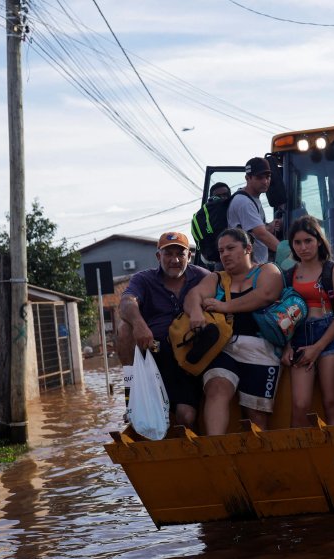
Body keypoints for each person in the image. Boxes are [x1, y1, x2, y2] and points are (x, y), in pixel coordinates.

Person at [183, 228, 284, 434]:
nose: (225, 254)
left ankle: (259, 461)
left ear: (248, 248)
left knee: (256, 414)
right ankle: (216, 450)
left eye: (230, 248)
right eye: (221, 251)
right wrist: (195, 311)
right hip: (224, 348)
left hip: (260, 348)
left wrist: (224, 306)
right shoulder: (216, 278)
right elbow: (194, 294)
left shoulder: (267, 270)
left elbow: (265, 295)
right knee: (216, 389)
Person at [116, 231, 211, 431]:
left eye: (180, 254)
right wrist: (140, 324)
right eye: (168, 254)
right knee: (125, 327)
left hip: (190, 355)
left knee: (187, 416)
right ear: (158, 257)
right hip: (156, 352)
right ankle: (132, 397)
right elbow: (126, 302)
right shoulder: (143, 279)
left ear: (189, 256)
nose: (174, 260)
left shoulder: (203, 277)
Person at [283, 216, 334, 427]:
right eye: (297, 242)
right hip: (298, 337)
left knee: (331, 402)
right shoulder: (288, 275)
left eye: (308, 241)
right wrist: (285, 346)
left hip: (329, 336)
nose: (303, 247)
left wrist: (317, 347)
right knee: (300, 405)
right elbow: (282, 316)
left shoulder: (333, 270)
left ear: (319, 241)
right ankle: (300, 459)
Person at [228, 157, 280, 265]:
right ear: (248, 178)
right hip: (248, 268)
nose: (265, 181)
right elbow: (261, 234)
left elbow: (252, 230)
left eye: (268, 177)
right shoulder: (244, 202)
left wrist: (269, 226)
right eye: (259, 177)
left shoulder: (252, 199)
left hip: (254, 266)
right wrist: (289, 253)